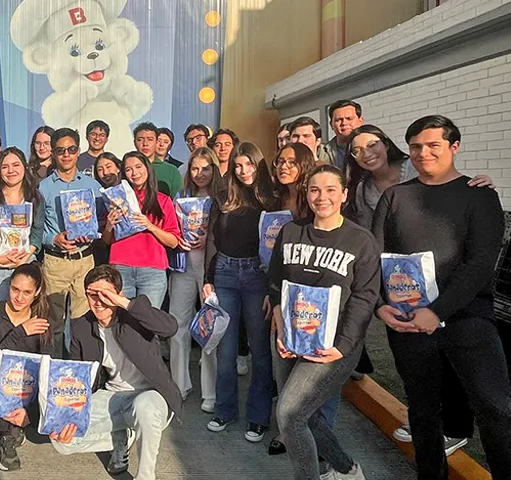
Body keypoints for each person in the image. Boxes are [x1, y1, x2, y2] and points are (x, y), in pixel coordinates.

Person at [372, 115, 511, 480]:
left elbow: (481, 263)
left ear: (454, 147)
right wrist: (380, 306)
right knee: (423, 412)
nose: (424, 153)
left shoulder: (480, 197)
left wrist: (437, 311)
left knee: (495, 409)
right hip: (408, 323)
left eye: (433, 145)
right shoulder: (394, 197)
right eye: (416, 147)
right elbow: (375, 256)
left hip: (468, 319)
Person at [347, 123, 488, 450]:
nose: (366, 154)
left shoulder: (414, 166)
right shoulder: (361, 187)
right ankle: (421, 416)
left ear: (386, 143)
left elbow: (451, 189)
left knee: (447, 354)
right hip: (398, 277)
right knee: (411, 355)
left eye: (371, 145)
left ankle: (455, 428)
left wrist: (477, 185)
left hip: (440, 273)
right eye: (356, 151)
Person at [268, 164, 380, 480]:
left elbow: (364, 299)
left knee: (289, 414)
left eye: (331, 190)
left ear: (344, 194)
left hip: (332, 346)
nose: (322, 197)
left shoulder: (361, 240)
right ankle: (347, 470)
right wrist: (279, 329)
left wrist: (342, 347)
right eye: (315, 189)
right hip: (288, 340)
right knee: (303, 415)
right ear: (307, 193)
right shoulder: (292, 231)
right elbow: (275, 283)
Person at [50, 265, 179, 480]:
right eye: (92, 295)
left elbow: (170, 328)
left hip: (151, 396)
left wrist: (124, 303)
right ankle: (122, 436)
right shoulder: (81, 327)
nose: (99, 302)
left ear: (118, 294)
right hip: (113, 396)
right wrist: (70, 414)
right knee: (61, 440)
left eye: (106, 295)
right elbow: (77, 376)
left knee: (144, 407)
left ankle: (145, 476)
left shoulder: (137, 312)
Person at [201, 141, 276, 442]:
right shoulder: (222, 198)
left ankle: (258, 417)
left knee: (259, 349)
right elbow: (213, 242)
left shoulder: (271, 200)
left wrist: (274, 286)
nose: (244, 171)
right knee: (226, 348)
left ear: (259, 165)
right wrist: (208, 278)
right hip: (226, 274)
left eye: (249, 165)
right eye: (238, 165)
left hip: (258, 276)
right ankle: (225, 410)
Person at [0, 263, 55, 471]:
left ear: (37, 292)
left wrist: (32, 408)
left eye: (27, 292)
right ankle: (4, 436)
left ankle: (24, 421)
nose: (19, 297)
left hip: (30, 384)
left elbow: (47, 367)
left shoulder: (43, 319)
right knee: (0, 391)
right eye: (15, 289)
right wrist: (19, 333)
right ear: (9, 286)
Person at [168, 147, 222, 413]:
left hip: (211, 270)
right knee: (178, 325)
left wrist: (211, 238)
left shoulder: (223, 198)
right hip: (183, 268)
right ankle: (179, 385)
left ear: (215, 170)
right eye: (195, 168)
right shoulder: (181, 196)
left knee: (210, 329)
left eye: (206, 168)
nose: (200, 174)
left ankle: (210, 392)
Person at [39, 128, 103, 345]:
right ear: (54, 154)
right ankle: (51, 373)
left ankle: (81, 374)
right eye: (60, 150)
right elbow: (35, 229)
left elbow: (101, 223)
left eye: (71, 149)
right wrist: (53, 239)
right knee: (53, 324)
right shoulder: (43, 188)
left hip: (85, 260)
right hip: (55, 262)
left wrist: (91, 234)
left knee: (83, 324)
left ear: (78, 151)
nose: (66, 154)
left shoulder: (93, 186)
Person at [103, 152, 180, 308]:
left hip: (152, 270)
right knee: (123, 321)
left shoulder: (163, 200)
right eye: (129, 169)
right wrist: (109, 226)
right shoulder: (117, 200)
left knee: (148, 321)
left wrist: (150, 226)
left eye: (138, 167)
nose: (135, 173)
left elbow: (173, 242)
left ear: (147, 168)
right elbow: (106, 241)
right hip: (121, 267)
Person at [0, 148, 45, 306]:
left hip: (25, 264)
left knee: (23, 320)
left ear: (24, 167)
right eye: (5, 166)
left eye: (16, 165)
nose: (11, 170)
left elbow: (37, 232)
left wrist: (24, 258)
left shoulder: (35, 197)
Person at [133, 122, 182, 198]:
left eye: (150, 139)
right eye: (140, 139)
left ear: (156, 142)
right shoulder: (127, 169)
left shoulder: (171, 171)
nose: (145, 143)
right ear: (134, 143)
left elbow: (177, 203)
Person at [92, 152, 123, 266]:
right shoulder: (97, 196)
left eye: (109, 167)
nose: (105, 172)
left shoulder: (129, 191)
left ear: (118, 168)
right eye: (100, 169)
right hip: (104, 251)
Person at [273, 143, 317, 219]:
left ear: (305, 165)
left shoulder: (312, 197)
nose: (283, 167)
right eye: (280, 161)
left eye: (292, 162)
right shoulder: (276, 198)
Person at [326, 100, 364, 169]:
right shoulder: (322, 153)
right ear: (331, 125)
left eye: (349, 118)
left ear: (360, 121)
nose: (344, 123)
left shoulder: (373, 146)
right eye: (338, 120)